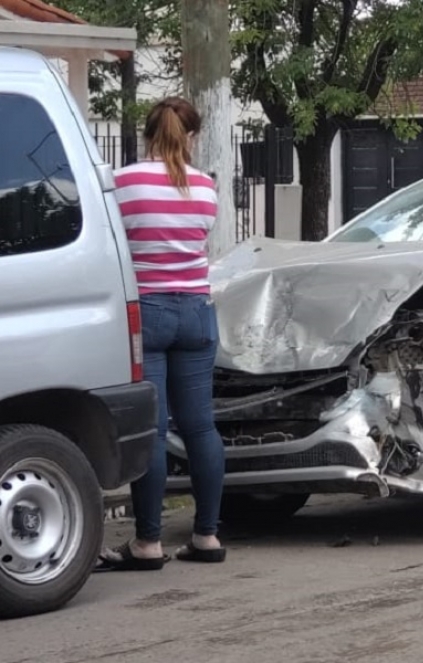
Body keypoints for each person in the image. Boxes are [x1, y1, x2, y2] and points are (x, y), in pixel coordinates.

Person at [96, 97, 226, 571]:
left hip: (146, 313)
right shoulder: (206, 188)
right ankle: (207, 536)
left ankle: (148, 543)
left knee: (151, 427)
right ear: (190, 136)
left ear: (149, 134)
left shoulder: (122, 182)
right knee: (201, 427)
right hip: (196, 311)